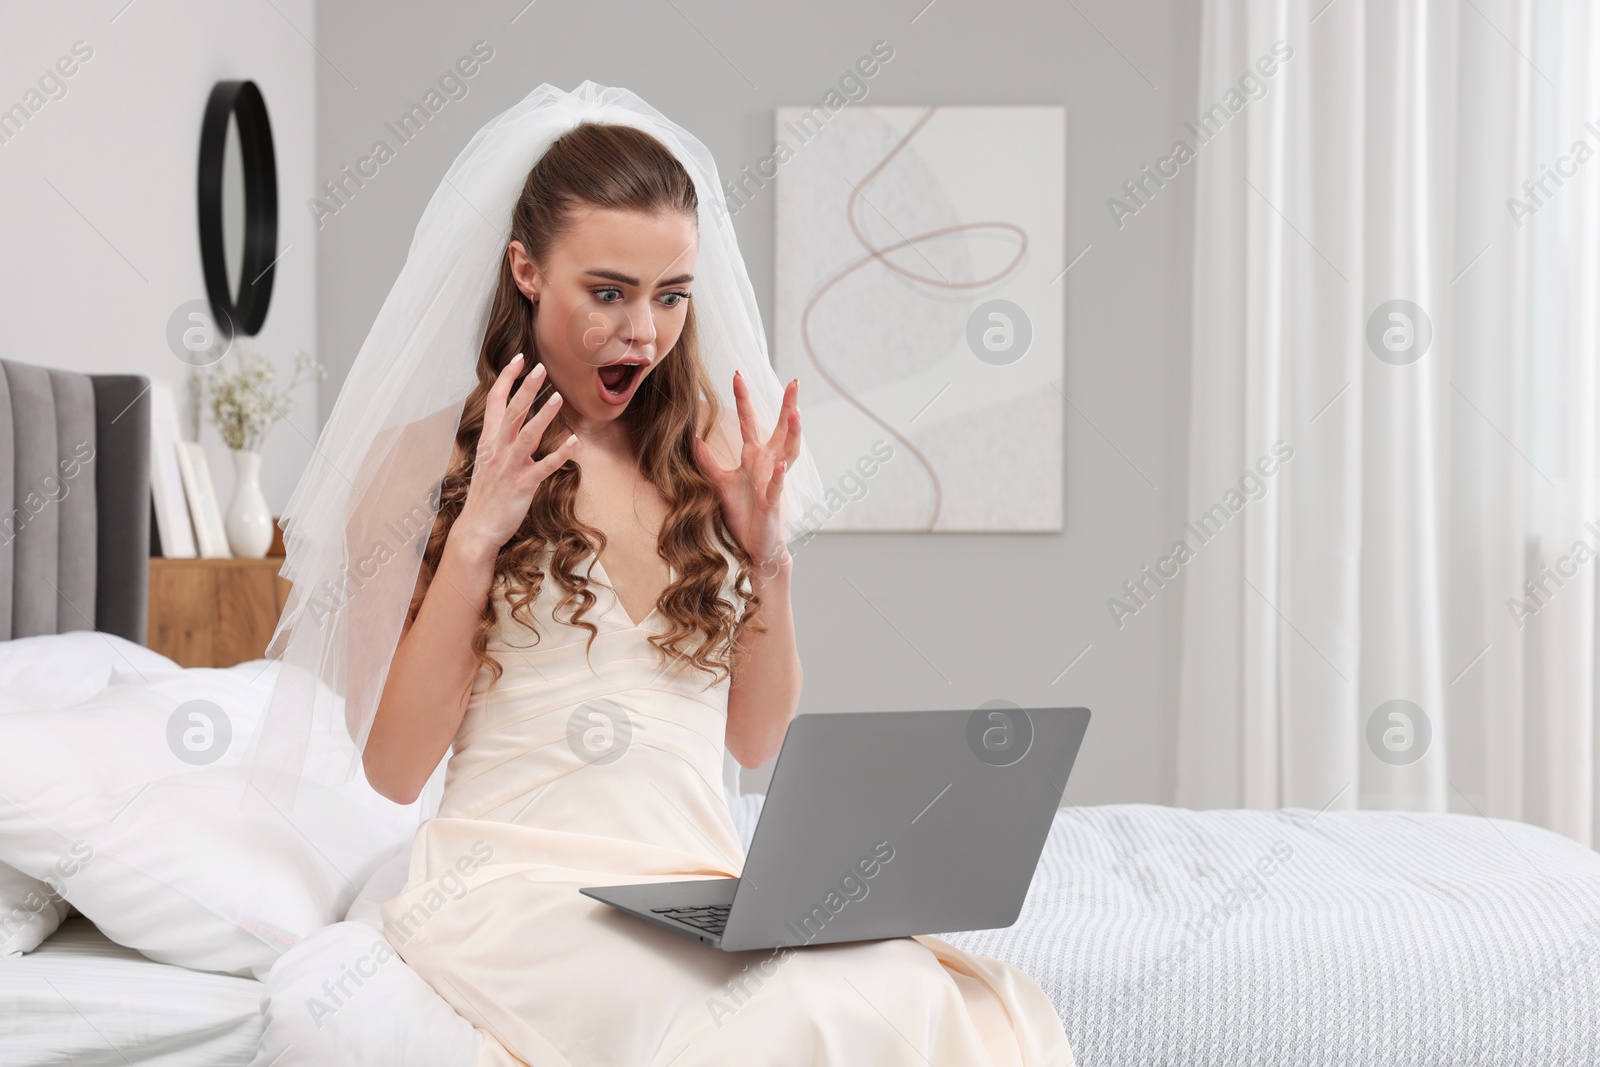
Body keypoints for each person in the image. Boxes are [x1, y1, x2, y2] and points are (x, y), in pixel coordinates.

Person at [254, 81, 1072, 1066]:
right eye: (608, 291)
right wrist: (477, 535)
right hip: (514, 890)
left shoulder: (711, 455)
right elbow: (392, 767)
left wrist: (769, 558)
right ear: (524, 269)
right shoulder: (417, 464)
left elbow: (756, 736)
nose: (644, 331)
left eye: (671, 295)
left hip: (695, 882)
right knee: (786, 1018)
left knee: (951, 996)